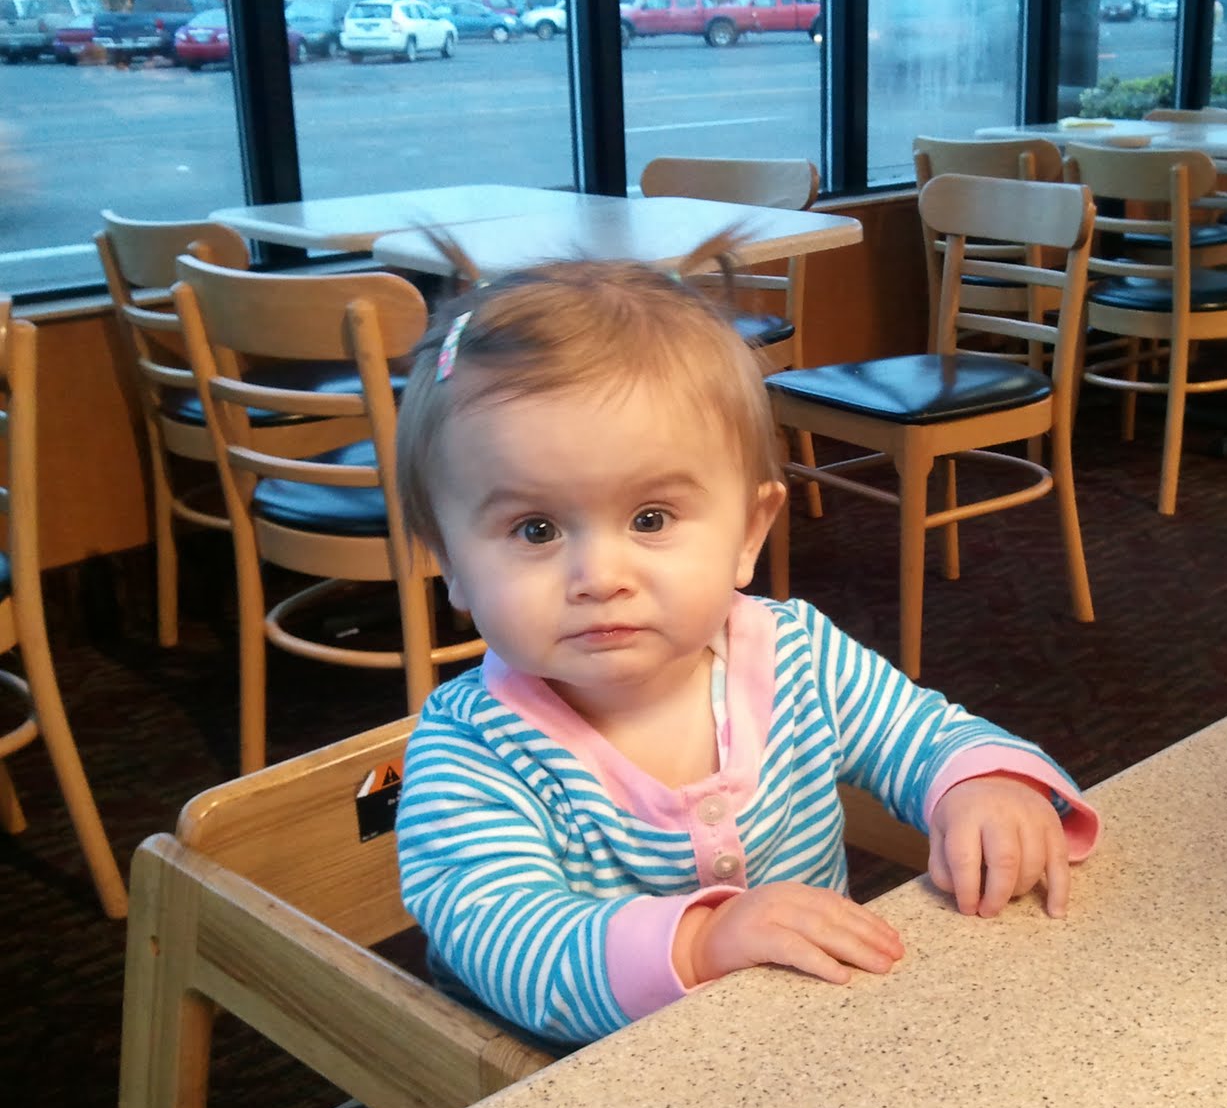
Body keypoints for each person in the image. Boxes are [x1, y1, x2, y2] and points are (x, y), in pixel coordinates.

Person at [392, 236, 1102, 1047]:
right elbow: (512, 943)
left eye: (650, 519)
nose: (599, 576)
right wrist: (701, 943)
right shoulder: (471, 747)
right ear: (449, 564)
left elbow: (925, 733)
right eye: (536, 529)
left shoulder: (795, 654)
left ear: (748, 532)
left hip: (803, 1045)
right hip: (584, 1086)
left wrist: (981, 786)